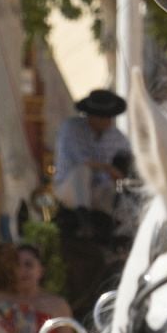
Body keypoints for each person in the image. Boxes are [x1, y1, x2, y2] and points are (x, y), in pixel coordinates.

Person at [53, 90, 132, 239]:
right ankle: (84, 220)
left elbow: (129, 155)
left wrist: (121, 173)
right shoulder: (71, 128)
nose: (106, 121)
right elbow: (82, 161)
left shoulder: (117, 137)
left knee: (118, 190)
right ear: (90, 115)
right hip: (69, 190)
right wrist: (109, 168)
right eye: (102, 116)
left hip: (98, 192)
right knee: (82, 172)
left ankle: (119, 231)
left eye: (109, 116)